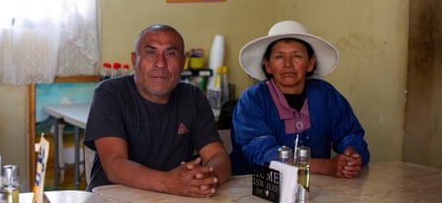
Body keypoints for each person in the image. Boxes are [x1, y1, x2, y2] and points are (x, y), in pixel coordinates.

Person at [84, 24, 231, 197]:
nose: (160, 63)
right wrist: (169, 182)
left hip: (171, 198)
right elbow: (114, 164)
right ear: (134, 60)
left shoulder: (193, 97)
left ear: (182, 62)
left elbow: (218, 156)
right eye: (151, 52)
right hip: (112, 198)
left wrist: (204, 178)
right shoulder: (110, 93)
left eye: (170, 54)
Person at [230, 20, 369, 178]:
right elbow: (262, 154)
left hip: (317, 189)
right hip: (256, 189)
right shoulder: (253, 99)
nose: (288, 64)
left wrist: (352, 154)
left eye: (296, 56)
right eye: (279, 57)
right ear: (267, 65)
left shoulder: (325, 94)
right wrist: (325, 166)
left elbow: (350, 135)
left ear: (310, 63)